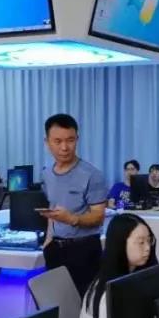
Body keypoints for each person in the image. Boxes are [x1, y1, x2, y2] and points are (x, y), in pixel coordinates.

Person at [39, 114, 108, 296]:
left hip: (84, 250)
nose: (64, 147)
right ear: (47, 142)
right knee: (57, 303)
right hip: (55, 249)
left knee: (85, 304)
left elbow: (99, 216)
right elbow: (52, 208)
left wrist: (71, 219)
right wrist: (48, 240)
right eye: (58, 141)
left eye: (70, 140)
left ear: (77, 139)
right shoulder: (46, 174)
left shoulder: (92, 175)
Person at [77, 214, 158, 318]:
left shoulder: (133, 278)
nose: (147, 248)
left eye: (149, 240)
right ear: (120, 244)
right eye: (140, 242)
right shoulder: (109, 291)